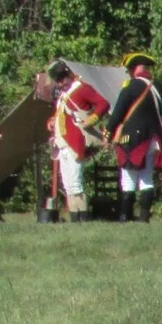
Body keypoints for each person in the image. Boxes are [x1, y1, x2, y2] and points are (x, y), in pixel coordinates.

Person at [104, 52, 162, 222]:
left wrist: (108, 132)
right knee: (146, 178)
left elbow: (118, 114)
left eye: (129, 69)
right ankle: (143, 217)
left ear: (134, 69)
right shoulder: (160, 87)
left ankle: (124, 217)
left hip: (133, 140)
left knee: (128, 179)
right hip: (154, 140)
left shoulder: (130, 87)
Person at [43, 61, 110, 222]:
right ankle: (75, 217)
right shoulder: (63, 94)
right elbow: (61, 116)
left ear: (68, 76)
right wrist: (52, 122)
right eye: (57, 81)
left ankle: (83, 217)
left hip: (75, 142)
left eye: (61, 80)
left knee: (75, 183)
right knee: (67, 185)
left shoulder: (82, 88)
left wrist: (92, 120)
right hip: (62, 144)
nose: (60, 84)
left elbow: (103, 104)